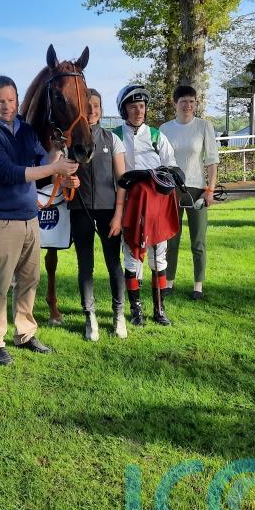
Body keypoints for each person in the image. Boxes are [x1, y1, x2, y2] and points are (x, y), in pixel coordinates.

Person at [0, 75, 79, 366]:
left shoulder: (26, 130)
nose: (6, 106)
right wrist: (54, 167)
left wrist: (59, 155)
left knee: (30, 280)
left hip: (31, 218)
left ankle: (26, 333)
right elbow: (10, 173)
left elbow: (41, 160)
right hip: (0, 221)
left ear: (18, 99)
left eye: (10, 100)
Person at [113, 83, 179, 327]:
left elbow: (170, 165)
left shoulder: (155, 135)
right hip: (130, 205)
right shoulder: (116, 136)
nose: (138, 111)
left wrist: (172, 173)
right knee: (132, 256)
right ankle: (136, 309)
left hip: (156, 206)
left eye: (141, 106)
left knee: (158, 256)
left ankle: (159, 309)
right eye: (133, 106)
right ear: (124, 109)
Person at [68, 88, 127, 341]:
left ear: (101, 109)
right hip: (79, 209)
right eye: (87, 106)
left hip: (108, 211)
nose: (92, 111)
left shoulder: (112, 139)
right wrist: (66, 181)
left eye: (96, 106)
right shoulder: (68, 141)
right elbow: (58, 173)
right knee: (86, 266)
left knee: (114, 264)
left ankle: (119, 314)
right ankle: (90, 316)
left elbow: (122, 180)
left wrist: (118, 215)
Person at [160, 85, 219, 301]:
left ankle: (198, 285)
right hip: (172, 190)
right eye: (184, 101)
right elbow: (161, 162)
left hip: (197, 190)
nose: (188, 105)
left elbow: (211, 161)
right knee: (171, 239)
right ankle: (168, 282)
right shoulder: (165, 129)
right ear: (175, 103)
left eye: (192, 101)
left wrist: (210, 190)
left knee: (198, 241)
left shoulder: (204, 126)